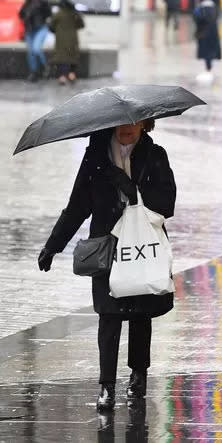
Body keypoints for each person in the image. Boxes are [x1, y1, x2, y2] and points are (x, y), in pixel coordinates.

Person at [37, 120, 176, 410]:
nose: (127, 128)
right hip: (107, 248)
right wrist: (53, 246)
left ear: (145, 124)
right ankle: (106, 386)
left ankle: (138, 375)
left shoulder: (155, 155)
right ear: (110, 125)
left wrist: (135, 192)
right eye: (121, 123)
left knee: (141, 313)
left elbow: (168, 203)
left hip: (141, 246)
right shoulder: (95, 159)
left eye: (134, 122)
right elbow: (77, 206)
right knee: (109, 316)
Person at [18, 0, 52, 82]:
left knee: (36, 49)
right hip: (29, 31)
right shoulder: (26, 4)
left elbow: (48, 13)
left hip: (40, 28)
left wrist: (42, 4)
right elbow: (21, 15)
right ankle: (34, 72)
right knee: (31, 53)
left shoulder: (42, 2)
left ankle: (44, 66)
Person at [48, 0, 84, 85]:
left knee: (61, 57)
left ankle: (62, 77)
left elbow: (51, 26)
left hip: (61, 39)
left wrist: (56, 30)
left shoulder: (58, 14)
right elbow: (81, 25)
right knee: (72, 56)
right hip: (73, 39)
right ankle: (72, 74)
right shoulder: (75, 14)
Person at [193, 0, 221, 74]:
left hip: (203, 31)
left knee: (205, 49)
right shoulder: (215, 7)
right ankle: (210, 62)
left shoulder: (200, 8)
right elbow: (217, 17)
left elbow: (196, 18)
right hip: (213, 31)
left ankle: (208, 64)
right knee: (211, 48)